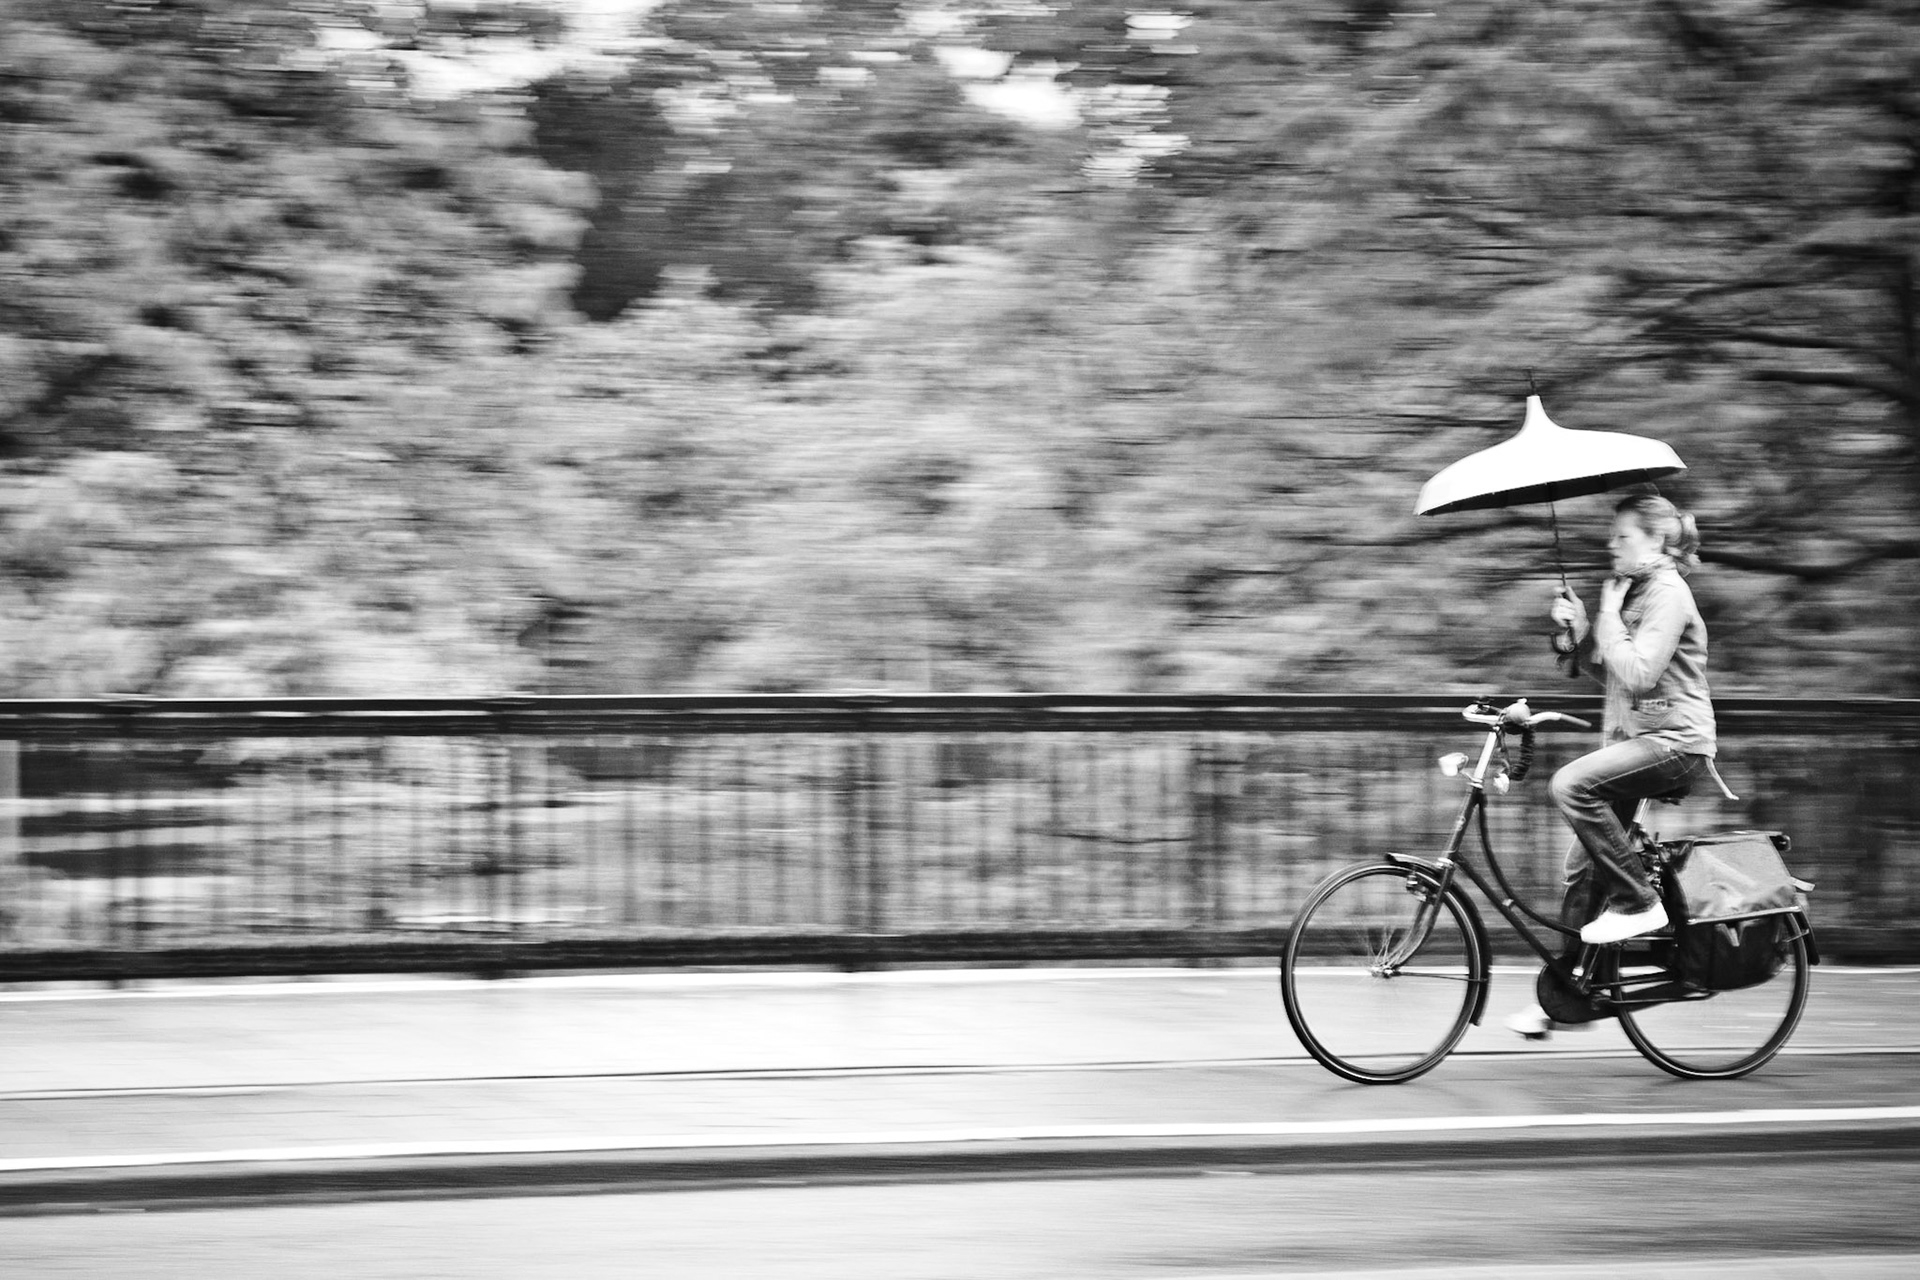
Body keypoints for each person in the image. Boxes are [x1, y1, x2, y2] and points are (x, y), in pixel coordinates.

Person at [1507, 493, 1718, 1038]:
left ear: (1656, 540)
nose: (1611, 546)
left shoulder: (1669, 593)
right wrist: (1575, 635)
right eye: (1611, 536)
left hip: (1676, 745)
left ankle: (1640, 902)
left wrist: (1603, 617)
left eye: (1622, 536)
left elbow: (1642, 672)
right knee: (1582, 870)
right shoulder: (1638, 592)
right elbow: (1618, 675)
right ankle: (1565, 992)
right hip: (1639, 742)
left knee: (1571, 783)